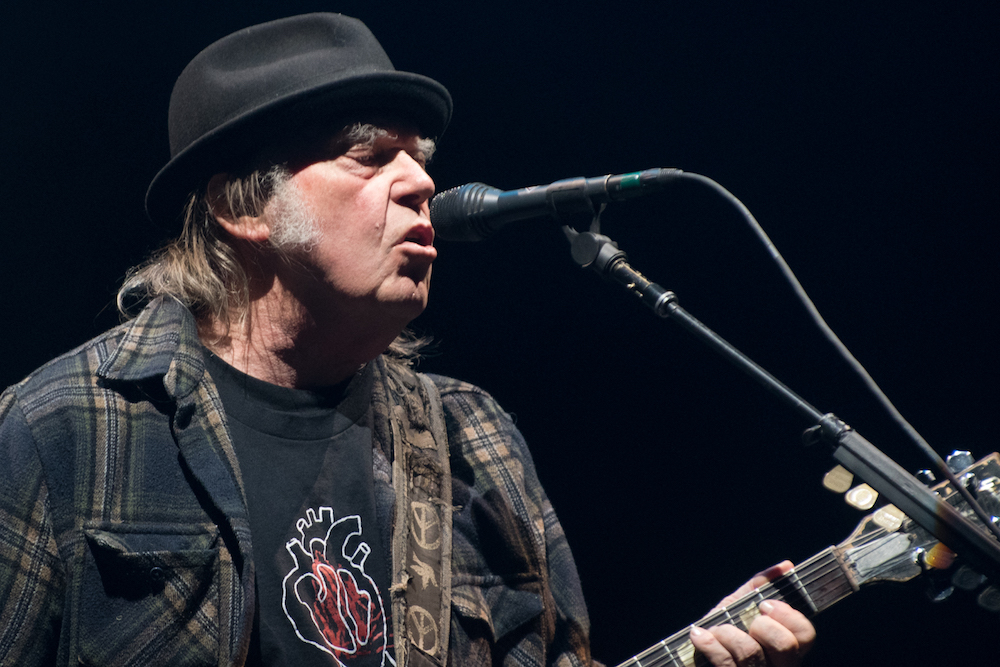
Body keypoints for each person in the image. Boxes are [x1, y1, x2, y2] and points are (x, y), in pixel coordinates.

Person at [0, 13, 815, 667]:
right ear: (243, 208)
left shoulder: (473, 435)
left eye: (418, 158)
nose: (422, 181)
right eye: (371, 156)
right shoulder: (65, 428)